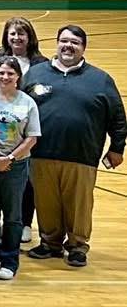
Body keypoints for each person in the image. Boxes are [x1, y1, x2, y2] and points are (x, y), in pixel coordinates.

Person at [23, 25, 126, 268]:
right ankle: (50, 242)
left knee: (79, 204)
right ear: (57, 43)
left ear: (83, 48)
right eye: (64, 41)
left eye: (75, 42)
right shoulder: (36, 74)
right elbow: (19, 107)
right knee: (46, 201)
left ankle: (78, 246)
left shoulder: (100, 79)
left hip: (82, 155)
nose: (68, 46)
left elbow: (118, 117)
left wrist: (117, 148)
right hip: (40, 153)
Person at [0, 57, 40, 280]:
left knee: (13, 216)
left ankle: (10, 259)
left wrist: (10, 158)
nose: (5, 77)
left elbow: (32, 137)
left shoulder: (27, 102)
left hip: (16, 165)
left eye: (10, 74)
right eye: (1, 72)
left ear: (17, 77)